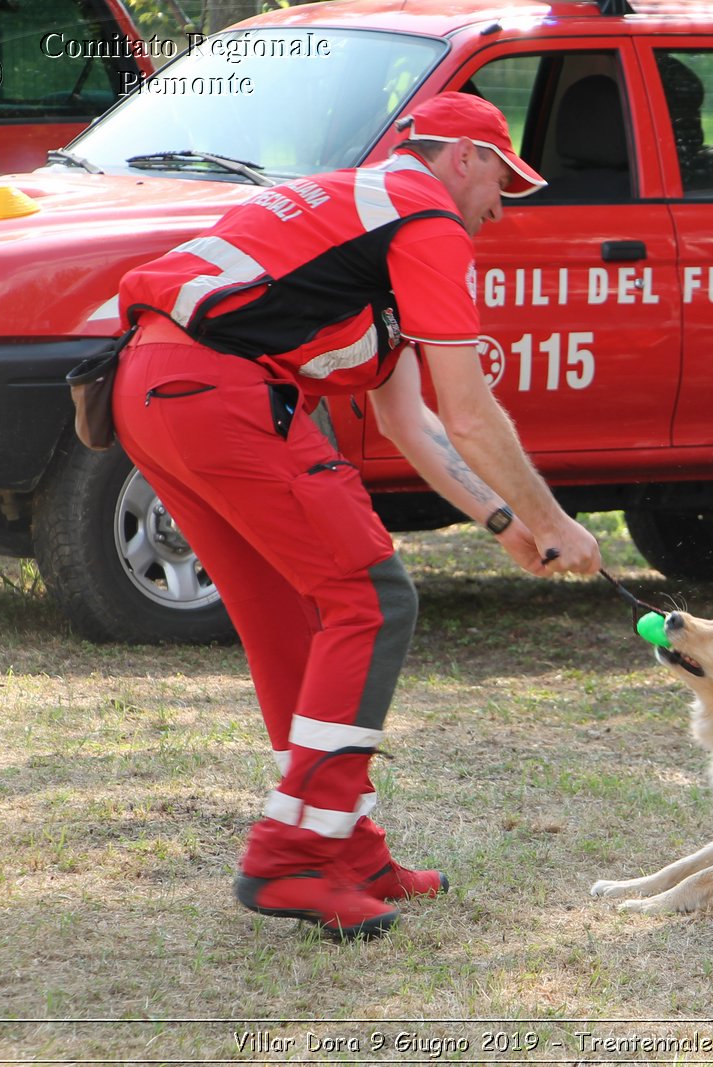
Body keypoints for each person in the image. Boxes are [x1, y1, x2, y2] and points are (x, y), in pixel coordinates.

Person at [112, 93, 603, 941]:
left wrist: (504, 525)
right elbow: (472, 410)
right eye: (502, 180)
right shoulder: (426, 217)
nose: (501, 205)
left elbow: (415, 424)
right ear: (462, 159)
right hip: (222, 395)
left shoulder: (356, 217)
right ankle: (293, 854)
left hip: (150, 390)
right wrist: (557, 520)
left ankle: (350, 848)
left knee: (291, 621)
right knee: (375, 601)